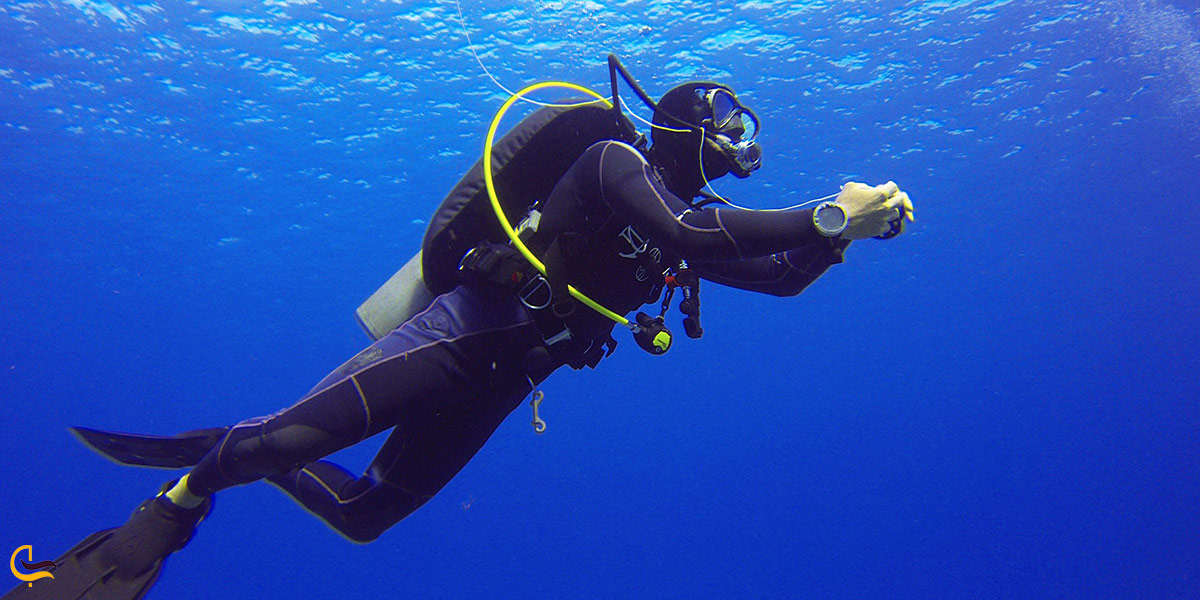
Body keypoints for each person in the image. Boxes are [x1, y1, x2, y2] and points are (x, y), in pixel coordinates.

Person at [4, 56, 913, 600]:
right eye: (729, 120)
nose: (740, 136)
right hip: (467, 328)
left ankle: (238, 444)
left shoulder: (702, 217)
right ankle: (178, 502)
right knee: (279, 441)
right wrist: (829, 213)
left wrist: (843, 241)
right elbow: (686, 231)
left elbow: (779, 278)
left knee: (363, 519)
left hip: (506, 381)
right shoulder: (610, 160)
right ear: (684, 123)